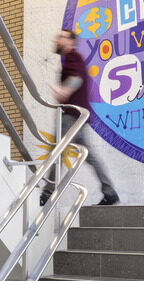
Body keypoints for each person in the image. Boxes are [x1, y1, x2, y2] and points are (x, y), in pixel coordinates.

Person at [41, 29, 119, 206]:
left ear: (70, 41)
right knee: (89, 156)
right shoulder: (73, 58)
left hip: (71, 116)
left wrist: (64, 90)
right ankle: (110, 192)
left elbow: (76, 78)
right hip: (78, 116)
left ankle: (48, 192)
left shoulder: (72, 56)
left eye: (61, 37)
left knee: (56, 152)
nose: (58, 39)